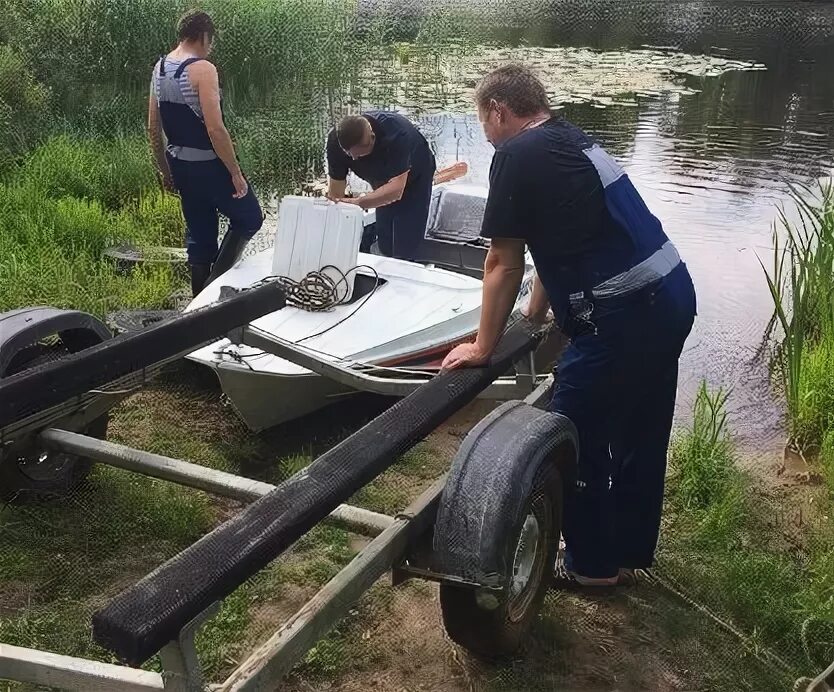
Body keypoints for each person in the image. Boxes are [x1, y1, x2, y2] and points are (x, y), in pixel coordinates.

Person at [441, 65, 697, 587]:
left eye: (483, 123)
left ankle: (592, 567)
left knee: (572, 432)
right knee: (639, 430)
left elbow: (504, 261)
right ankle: (626, 550)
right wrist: (535, 314)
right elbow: (559, 240)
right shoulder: (573, 139)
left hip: (624, 316)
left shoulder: (515, 155)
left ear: (498, 111)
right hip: (671, 296)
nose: (487, 137)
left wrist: (483, 345)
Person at [147, 9, 263, 297]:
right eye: (212, 40)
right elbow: (216, 130)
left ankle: (199, 305)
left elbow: (152, 128)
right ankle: (214, 290)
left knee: (199, 237)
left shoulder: (159, 68)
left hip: (181, 166)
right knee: (250, 218)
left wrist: (165, 171)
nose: (211, 47)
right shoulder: (203, 69)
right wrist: (235, 173)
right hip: (210, 167)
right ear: (204, 35)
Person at [326, 111, 437, 260]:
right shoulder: (335, 141)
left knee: (405, 242)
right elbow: (336, 191)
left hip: (415, 176)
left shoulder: (397, 134)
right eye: (350, 155)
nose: (354, 159)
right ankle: (387, 261)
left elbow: (396, 191)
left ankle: (407, 266)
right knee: (385, 240)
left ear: (372, 138)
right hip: (381, 179)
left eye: (360, 155)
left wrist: (359, 202)